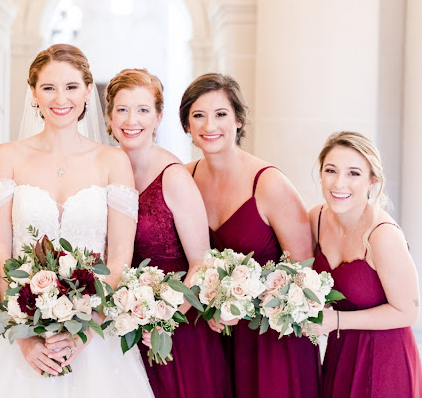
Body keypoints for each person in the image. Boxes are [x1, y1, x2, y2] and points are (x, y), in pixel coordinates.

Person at [0, 44, 153, 397]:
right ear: (33, 92)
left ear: (89, 90)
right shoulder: (6, 157)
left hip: (97, 337)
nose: (60, 98)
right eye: (48, 88)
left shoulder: (113, 161)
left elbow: (120, 257)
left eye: (72, 87)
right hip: (18, 334)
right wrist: (24, 336)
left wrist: (86, 330)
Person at [180, 73, 320, 397]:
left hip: (272, 340)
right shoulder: (184, 179)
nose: (209, 125)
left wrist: (244, 303)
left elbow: (304, 271)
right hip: (214, 338)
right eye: (198, 115)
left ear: (239, 120)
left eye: (221, 114)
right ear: (187, 125)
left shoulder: (269, 183)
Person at [105, 68, 231, 397]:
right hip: (120, 326)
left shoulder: (173, 177)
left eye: (143, 110)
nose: (132, 120)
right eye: (122, 109)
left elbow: (201, 263)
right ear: (109, 116)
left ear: (159, 117)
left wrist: (165, 318)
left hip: (176, 331)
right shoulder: (100, 170)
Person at [310, 131, 422, 397]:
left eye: (354, 173)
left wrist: (336, 319)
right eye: (331, 170)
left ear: (372, 180)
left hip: (385, 358)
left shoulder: (382, 235)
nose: (339, 183)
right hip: (340, 353)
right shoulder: (316, 218)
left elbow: (408, 312)